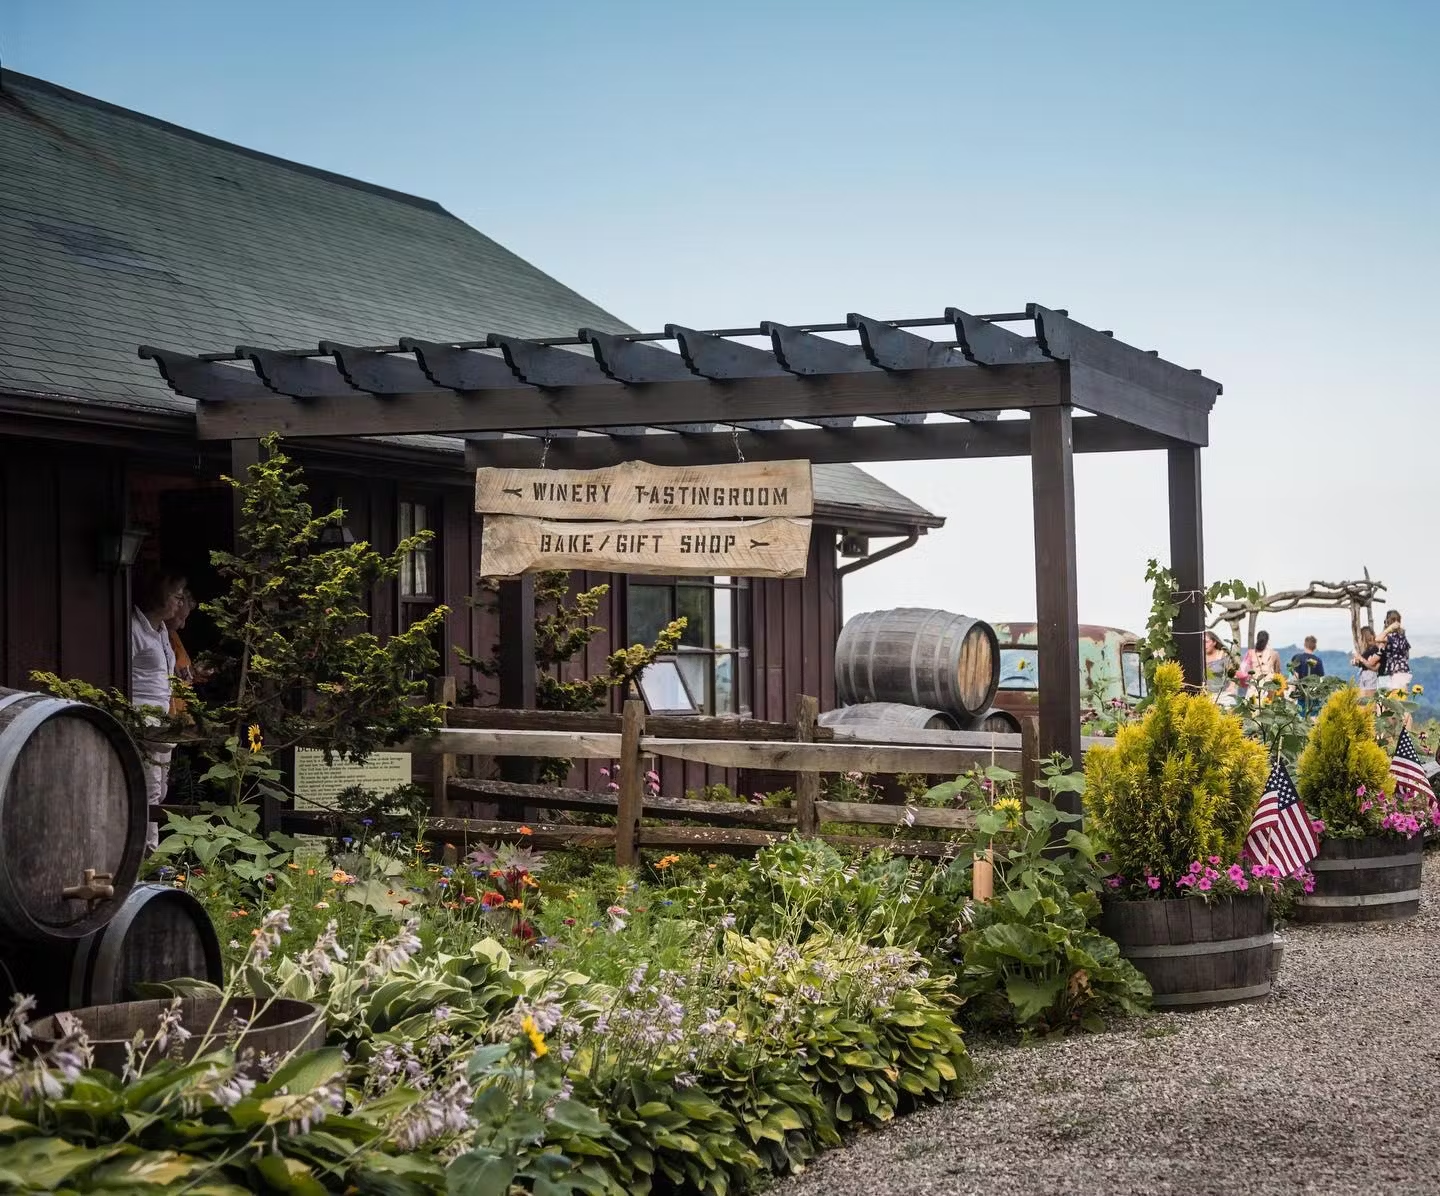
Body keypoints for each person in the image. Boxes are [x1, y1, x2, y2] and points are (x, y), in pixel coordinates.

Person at [130, 568, 186, 850]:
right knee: (148, 788)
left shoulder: (162, 630)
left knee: (160, 789)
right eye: (175, 596)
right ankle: (147, 852)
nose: (179, 603)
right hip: (142, 719)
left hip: (162, 719)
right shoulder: (134, 629)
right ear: (160, 596)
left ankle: (150, 847)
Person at [1237, 630, 1282, 698]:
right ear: (1268, 640)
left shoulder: (1250, 653)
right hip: (1269, 688)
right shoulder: (1274, 654)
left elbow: (1243, 669)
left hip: (1254, 687)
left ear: (1257, 639)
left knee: (1252, 707)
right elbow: (1277, 673)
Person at [1378, 610, 1413, 693]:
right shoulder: (1402, 637)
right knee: (1400, 701)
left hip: (1396, 673)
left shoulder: (1391, 637)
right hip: (1403, 671)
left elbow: (1378, 639)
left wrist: (1388, 629)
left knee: (1397, 702)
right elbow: (1407, 656)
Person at [1290, 636, 1325, 716]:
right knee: (1312, 720)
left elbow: (1296, 677)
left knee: (1302, 719)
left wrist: (1292, 694)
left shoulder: (1299, 658)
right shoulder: (1318, 660)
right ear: (1315, 647)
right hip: (1314, 696)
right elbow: (1321, 680)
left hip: (1302, 695)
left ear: (1304, 645)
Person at [1352, 626, 1381, 696]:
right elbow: (1363, 663)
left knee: (1368, 699)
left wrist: (1359, 658)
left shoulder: (1374, 649)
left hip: (1370, 675)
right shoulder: (1369, 650)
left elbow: (1370, 664)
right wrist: (1356, 662)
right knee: (1363, 699)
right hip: (1365, 675)